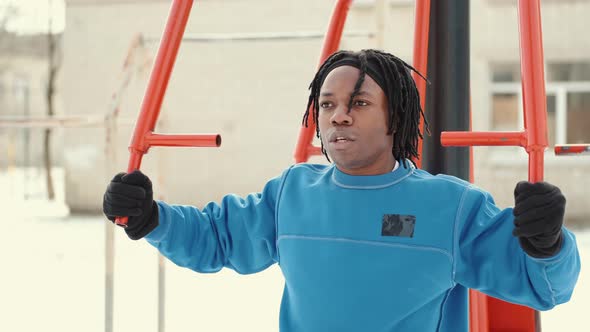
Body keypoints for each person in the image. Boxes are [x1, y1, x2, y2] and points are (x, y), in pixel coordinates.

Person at [103, 49, 580, 331]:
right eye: (327, 104)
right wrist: (151, 218)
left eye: (359, 103)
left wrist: (547, 243)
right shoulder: (293, 192)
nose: (339, 115)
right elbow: (217, 237)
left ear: (394, 118)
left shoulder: (449, 205)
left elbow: (544, 285)